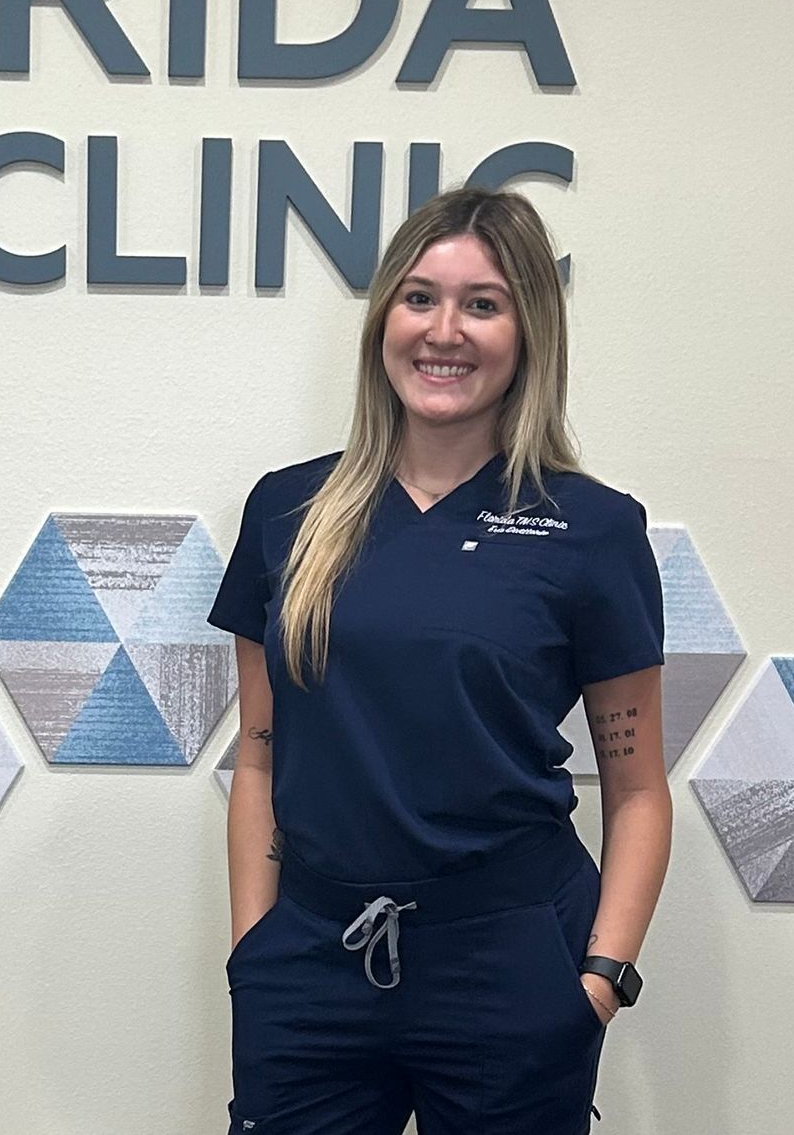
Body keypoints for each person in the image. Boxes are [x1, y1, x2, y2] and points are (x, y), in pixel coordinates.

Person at [207, 186, 672, 1134]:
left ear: (528, 328)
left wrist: (602, 976)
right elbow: (258, 752)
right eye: (419, 297)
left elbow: (638, 788)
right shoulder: (290, 512)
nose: (443, 330)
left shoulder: (591, 528)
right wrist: (255, 953)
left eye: (483, 303)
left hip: (508, 960)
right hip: (310, 961)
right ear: (384, 319)